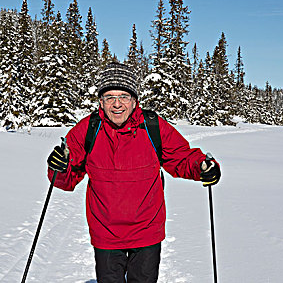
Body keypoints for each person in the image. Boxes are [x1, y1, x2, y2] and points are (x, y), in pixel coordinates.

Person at [46, 62, 221, 283]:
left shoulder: (152, 126)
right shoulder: (88, 129)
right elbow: (66, 178)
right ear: (101, 102)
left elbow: (182, 157)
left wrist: (203, 167)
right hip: (106, 234)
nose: (117, 104)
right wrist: (58, 167)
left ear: (135, 100)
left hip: (147, 231)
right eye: (109, 97)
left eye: (124, 96)